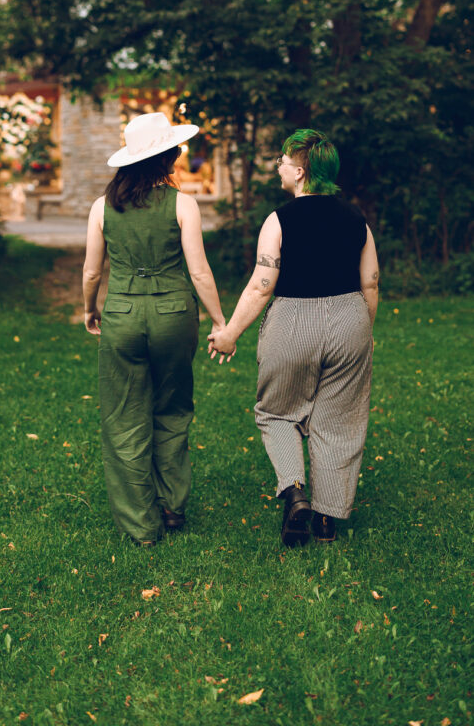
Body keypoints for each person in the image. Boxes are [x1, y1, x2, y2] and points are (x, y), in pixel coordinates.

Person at [209, 129, 379, 546]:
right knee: (339, 422)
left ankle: (295, 492)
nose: (279, 167)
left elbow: (262, 285)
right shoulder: (358, 220)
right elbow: (371, 283)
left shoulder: (279, 219)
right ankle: (326, 520)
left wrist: (230, 332)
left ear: (300, 172)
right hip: (349, 319)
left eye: (283, 161)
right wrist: (365, 333)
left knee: (277, 412)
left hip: (293, 319)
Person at [83, 111, 226, 546]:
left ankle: (142, 527)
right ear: (165, 158)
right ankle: (171, 506)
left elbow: (92, 272)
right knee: (172, 408)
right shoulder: (182, 203)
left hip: (122, 315)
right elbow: (199, 272)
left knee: (124, 417)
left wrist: (90, 309)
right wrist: (220, 320)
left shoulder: (103, 207)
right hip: (173, 316)